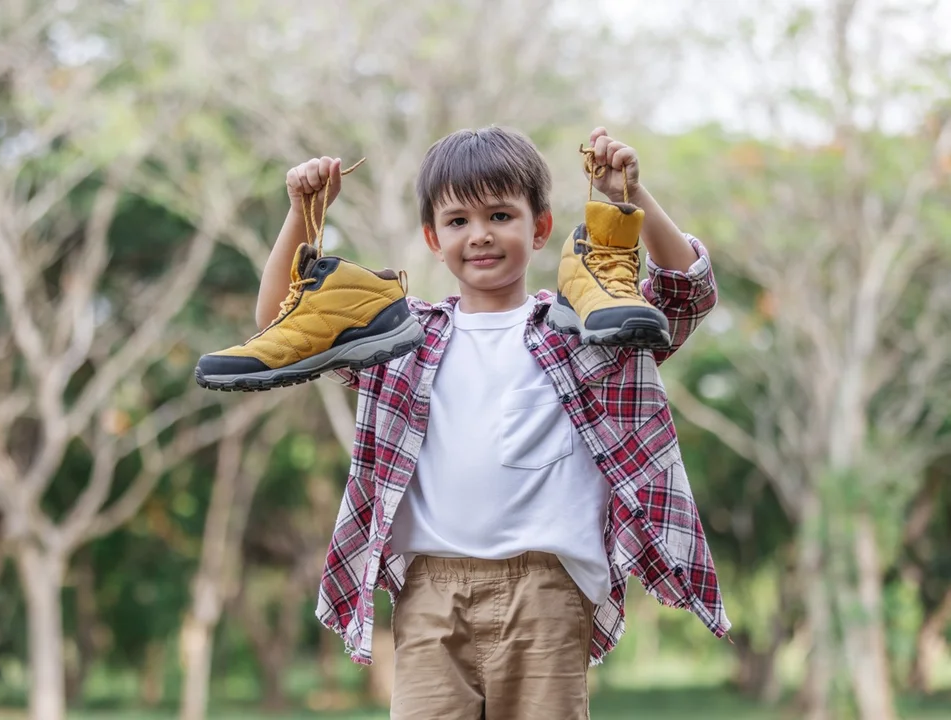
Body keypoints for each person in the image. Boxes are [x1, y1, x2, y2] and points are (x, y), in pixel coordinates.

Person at [253, 126, 730, 719]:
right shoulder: (401, 339)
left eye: (500, 215)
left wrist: (630, 196)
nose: (479, 236)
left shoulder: (585, 330)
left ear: (540, 228)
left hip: (547, 589)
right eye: (457, 222)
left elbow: (688, 292)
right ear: (433, 237)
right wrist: (302, 215)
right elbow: (280, 321)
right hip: (430, 590)